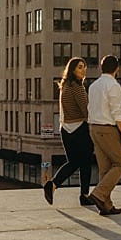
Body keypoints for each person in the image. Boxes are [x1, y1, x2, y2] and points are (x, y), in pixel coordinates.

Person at [43, 57, 96, 207]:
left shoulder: (64, 86)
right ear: (72, 69)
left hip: (65, 130)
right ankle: (84, 196)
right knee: (85, 163)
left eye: (84, 67)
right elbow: (86, 110)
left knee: (73, 162)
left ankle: (52, 185)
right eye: (80, 67)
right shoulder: (77, 87)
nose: (83, 69)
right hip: (79, 128)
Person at [86, 54, 121, 216]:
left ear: (101, 67)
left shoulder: (94, 85)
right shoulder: (113, 86)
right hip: (108, 128)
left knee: (105, 168)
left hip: (94, 128)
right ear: (117, 69)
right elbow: (117, 112)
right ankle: (98, 194)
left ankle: (106, 205)